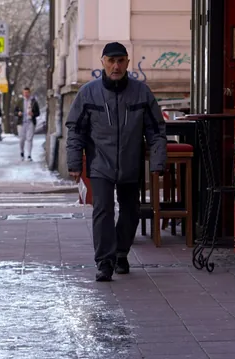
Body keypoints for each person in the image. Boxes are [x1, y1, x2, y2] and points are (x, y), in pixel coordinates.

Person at [66, 42, 167, 282]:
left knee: (131, 210)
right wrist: (74, 163)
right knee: (103, 210)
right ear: (102, 62)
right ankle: (104, 262)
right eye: (111, 61)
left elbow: (156, 130)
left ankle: (121, 252)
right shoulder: (88, 93)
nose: (116, 66)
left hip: (130, 162)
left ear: (127, 63)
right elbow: (75, 129)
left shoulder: (141, 92)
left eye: (121, 60)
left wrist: (158, 162)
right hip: (100, 163)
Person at [15, 87, 40, 161]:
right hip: (21, 123)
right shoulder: (19, 101)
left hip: (30, 122)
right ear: (23, 93)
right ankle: (22, 152)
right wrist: (18, 113)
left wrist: (33, 114)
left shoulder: (34, 102)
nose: (26, 94)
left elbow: (38, 113)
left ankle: (29, 155)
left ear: (29, 93)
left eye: (27, 92)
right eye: (24, 92)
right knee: (22, 139)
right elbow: (14, 111)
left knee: (29, 139)